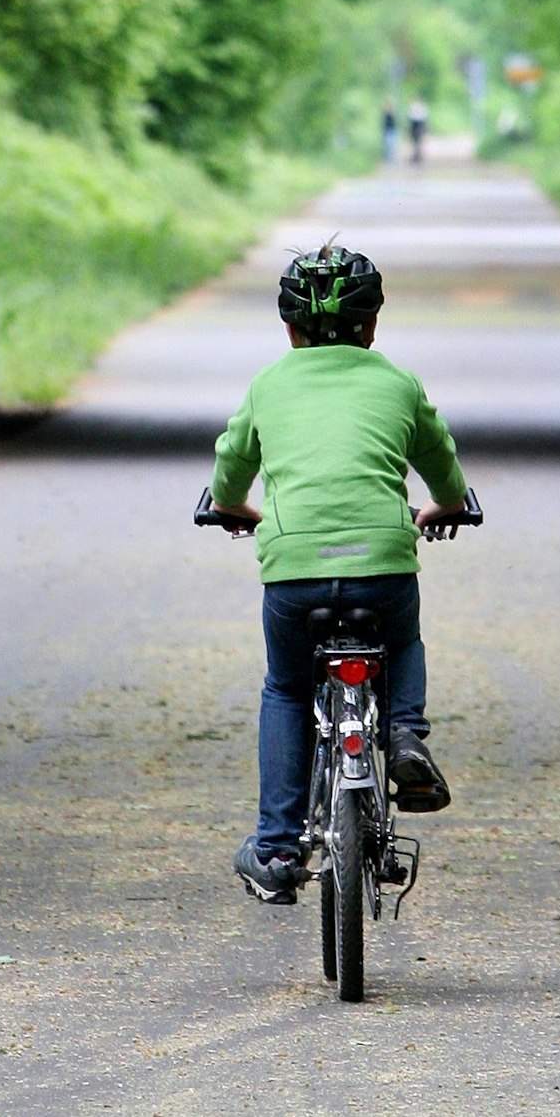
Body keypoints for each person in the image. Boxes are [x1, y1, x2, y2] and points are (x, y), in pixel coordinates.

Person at [211, 243, 470, 905]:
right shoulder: (397, 382)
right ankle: (405, 730)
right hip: (383, 560)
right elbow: (444, 468)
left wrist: (240, 512)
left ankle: (274, 847)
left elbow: (227, 477)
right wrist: (441, 505)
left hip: (294, 570)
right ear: (373, 324)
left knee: (289, 689)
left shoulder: (268, 384)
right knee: (403, 639)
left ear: (290, 329)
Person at [406, 97, 428, 164]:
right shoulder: (421, 107)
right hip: (417, 125)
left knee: (417, 141)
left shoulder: (414, 107)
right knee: (417, 141)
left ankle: (417, 155)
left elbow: (410, 117)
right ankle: (417, 155)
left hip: (417, 125)